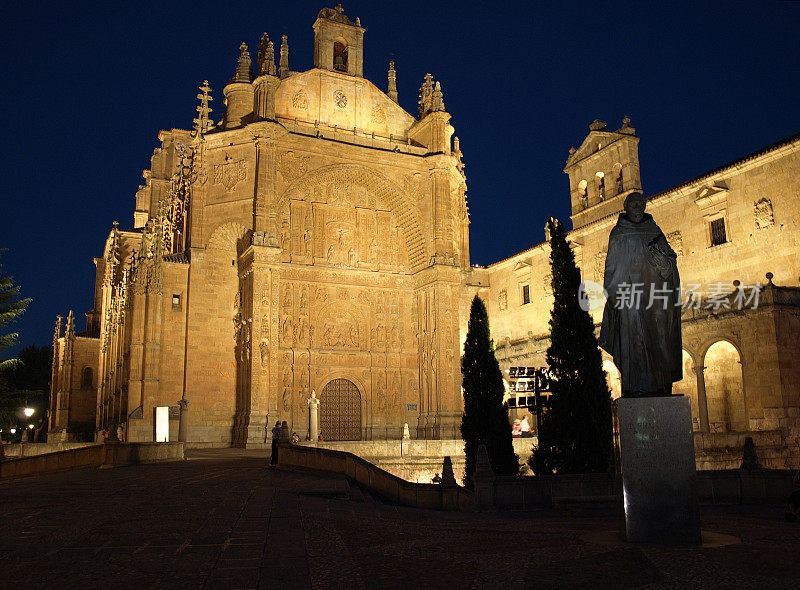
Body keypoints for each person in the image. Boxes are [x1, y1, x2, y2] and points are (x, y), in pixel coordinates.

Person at [599, 192, 682, 396]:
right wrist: (615, 296)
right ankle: (636, 386)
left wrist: (666, 264)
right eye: (633, 203)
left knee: (661, 339)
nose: (637, 206)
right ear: (626, 207)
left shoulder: (653, 231)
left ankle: (662, 384)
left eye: (640, 203)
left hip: (656, 297)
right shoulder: (618, 234)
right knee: (634, 343)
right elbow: (611, 269)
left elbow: (671, 258)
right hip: (630, 300)